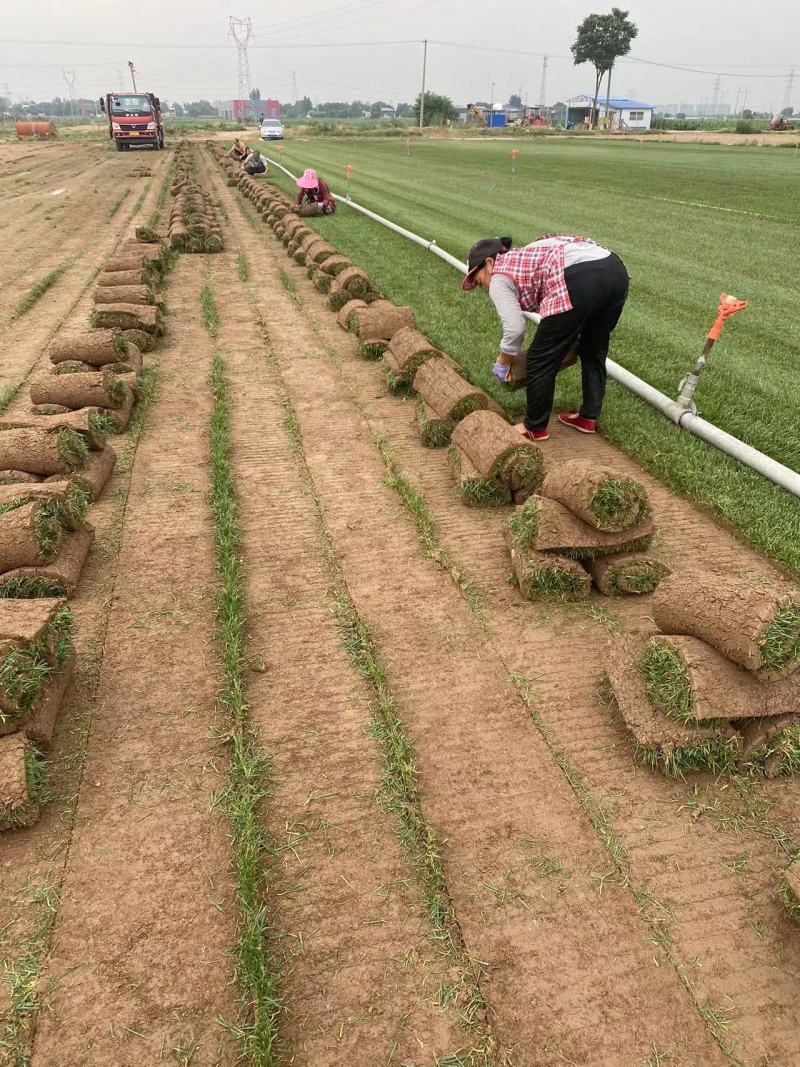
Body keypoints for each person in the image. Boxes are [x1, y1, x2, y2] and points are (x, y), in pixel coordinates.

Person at [461, 234, 629, 441]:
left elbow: (515, 329)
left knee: (540, 359)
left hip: (577, 276)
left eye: (477, 279)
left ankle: (535, 426)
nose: (481, 286)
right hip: (615, 269)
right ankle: (588, 417)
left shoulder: (498, 276)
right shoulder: (523, 254)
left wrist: (503, 361)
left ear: (489, 263)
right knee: (593, 348)